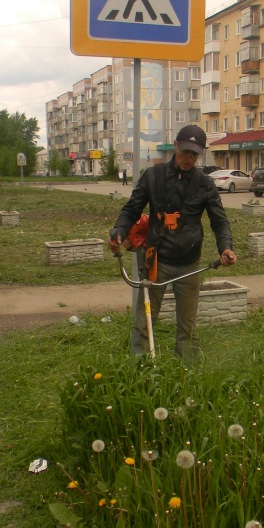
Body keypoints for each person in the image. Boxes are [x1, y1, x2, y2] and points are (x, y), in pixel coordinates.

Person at [108, 125, 237, 361]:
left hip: (189, 264)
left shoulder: (205, 184)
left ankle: (186, 373)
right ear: (175, 146)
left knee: (187, 326)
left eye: (194, 154)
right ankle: (139, 369)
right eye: (185, 151)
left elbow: (219, 221)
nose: (188, 159)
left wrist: (225, 247)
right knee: (144, 322)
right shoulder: (153, 177)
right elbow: (131, 210)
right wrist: (118, 231)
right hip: (156, 260)